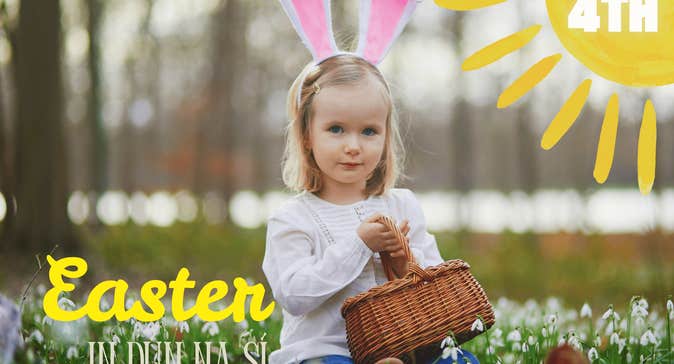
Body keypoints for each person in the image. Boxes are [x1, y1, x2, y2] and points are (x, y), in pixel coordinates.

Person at [263, 1, 480, 363]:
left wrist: (403, 260)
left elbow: (432, 282)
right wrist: (359, 244)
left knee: (460, 361)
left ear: (384, 136)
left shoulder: (401, 204)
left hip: (407, 345)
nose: (353, 146)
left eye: (368, 131)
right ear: (306, 136)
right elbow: (295, 294)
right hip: (326, 353)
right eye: (335, 129)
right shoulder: (292, 219)